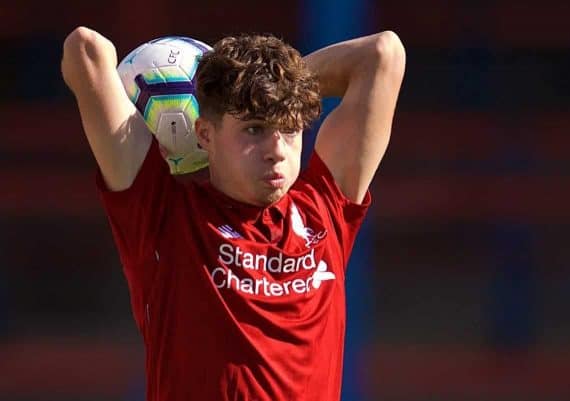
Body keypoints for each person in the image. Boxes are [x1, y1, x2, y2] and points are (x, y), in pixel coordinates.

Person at [61, 26, 405, 401]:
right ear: (204, 134)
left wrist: (271, 86)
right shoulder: (163, 217)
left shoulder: (325, 210)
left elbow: (383, 53)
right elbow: (86, 50)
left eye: (289, 129)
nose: (277, 150)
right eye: (255, 128)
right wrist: (220, 93)